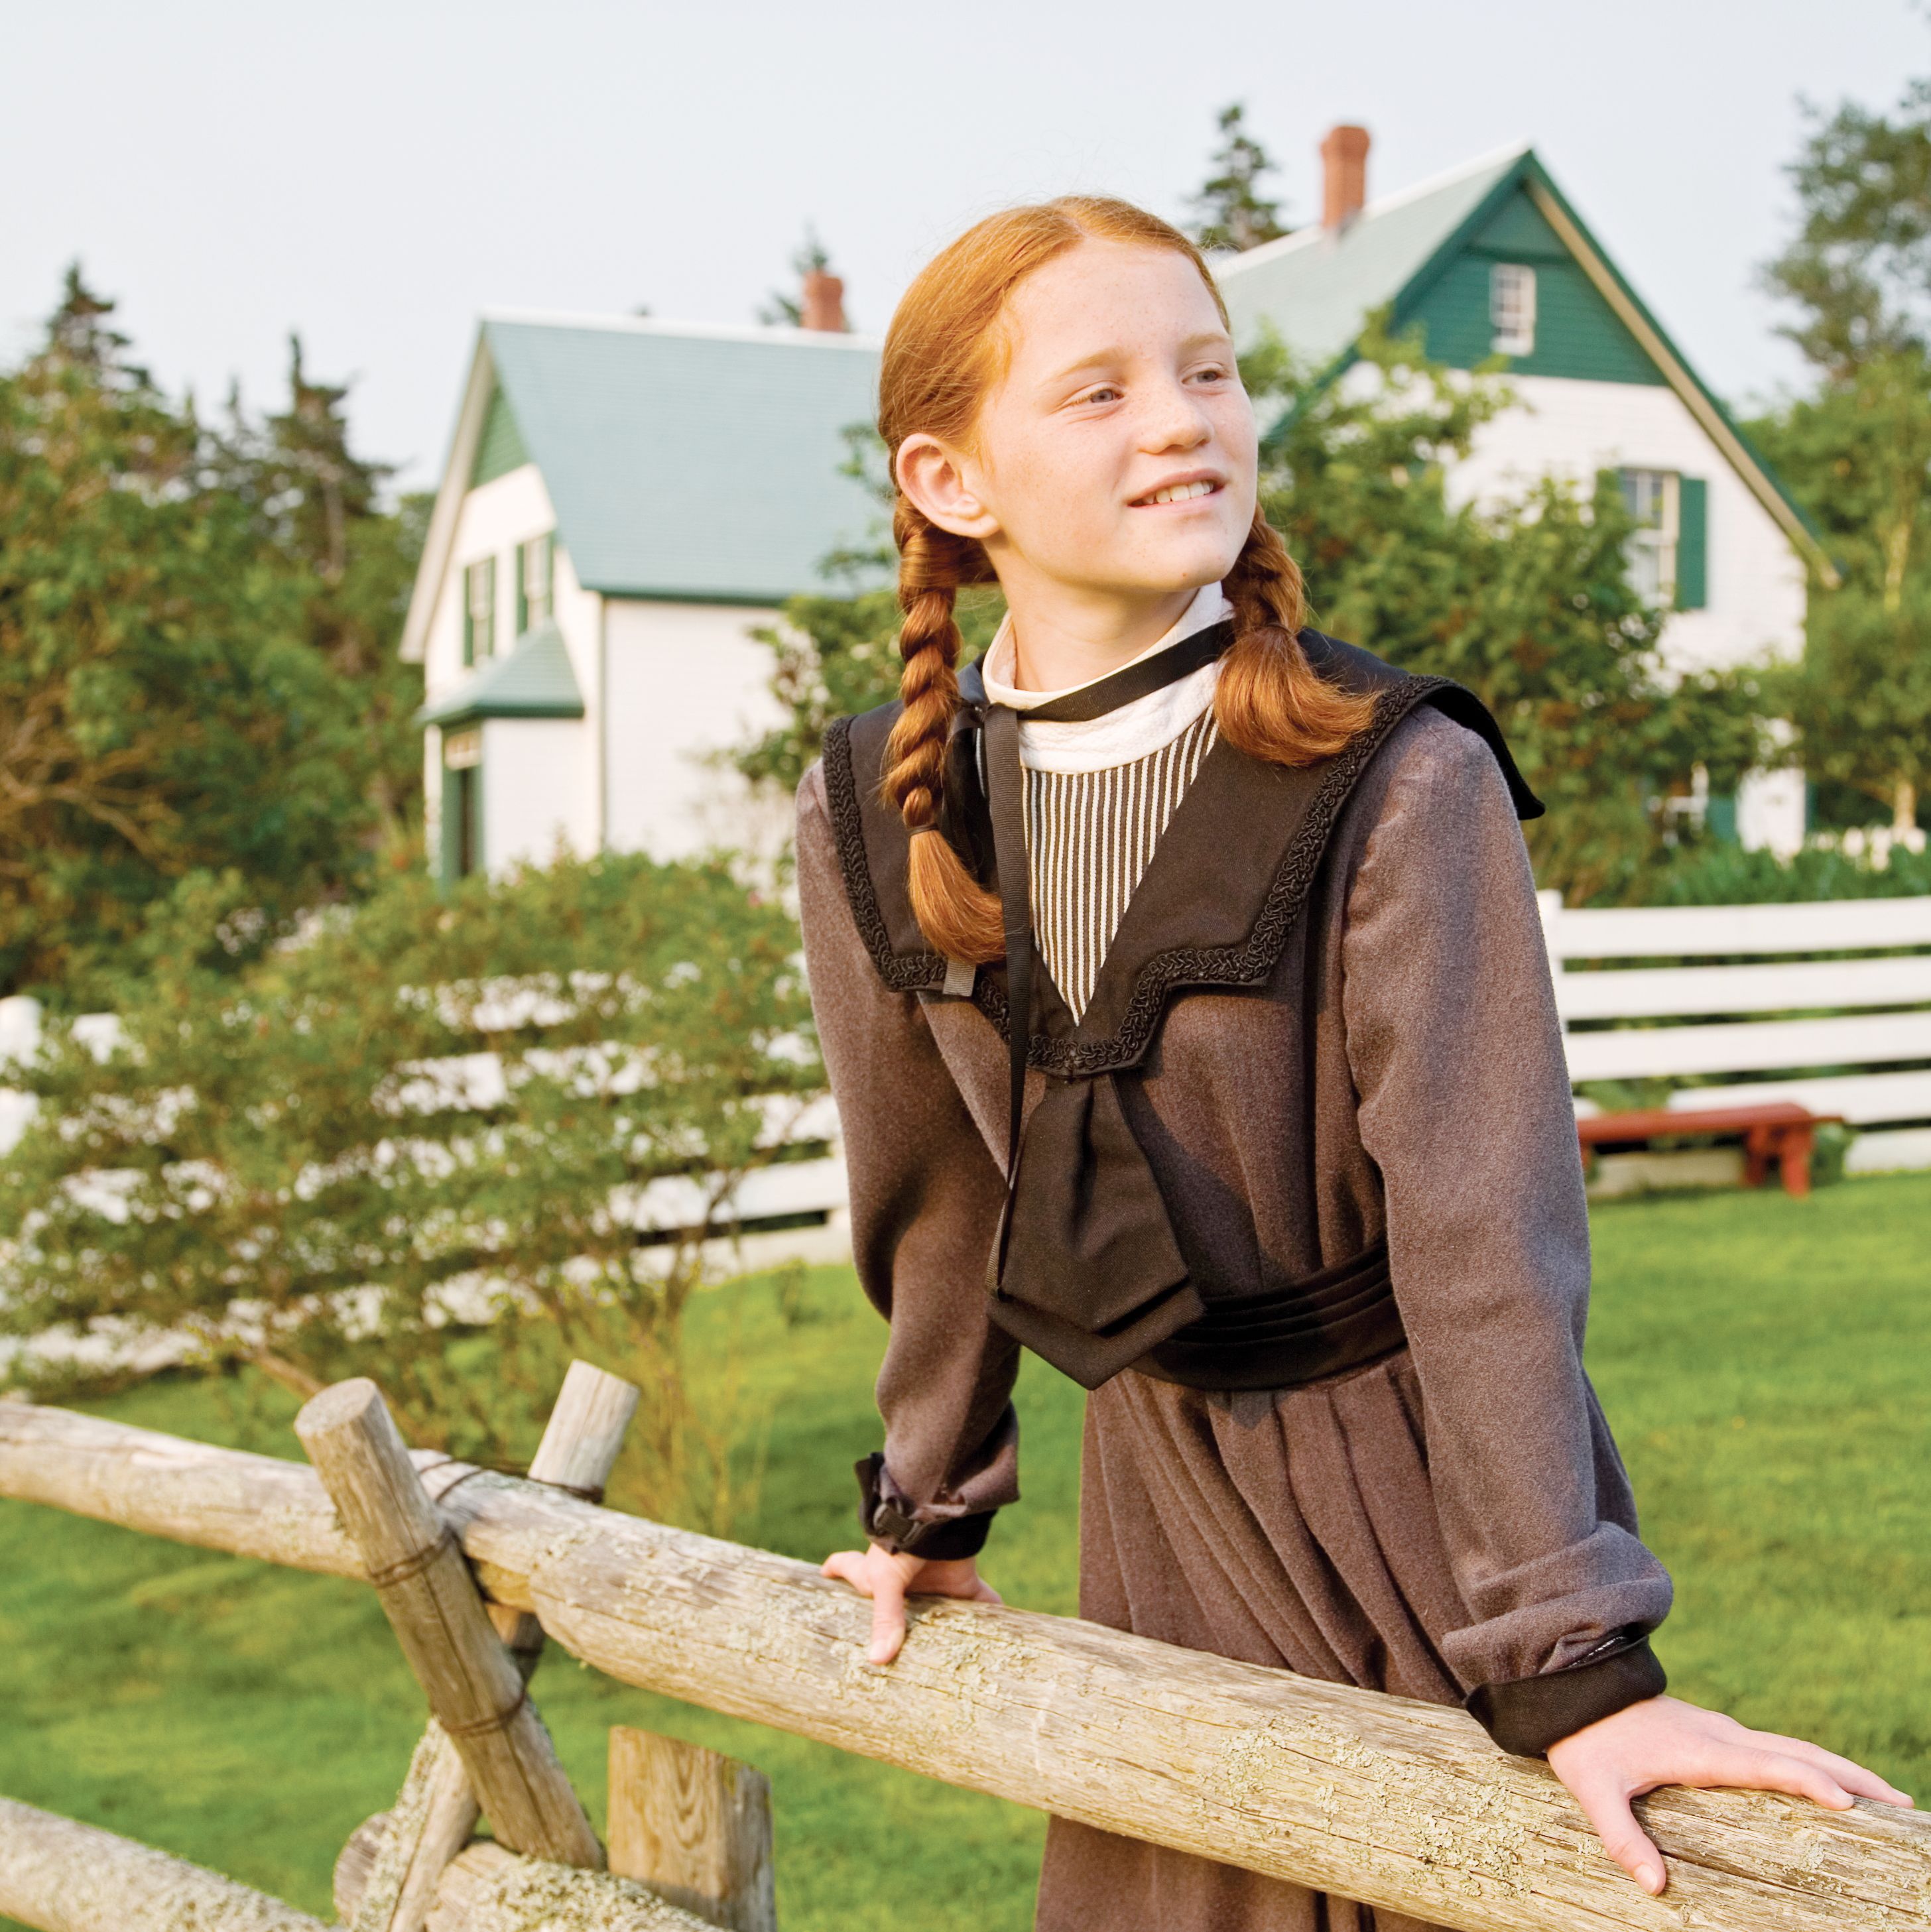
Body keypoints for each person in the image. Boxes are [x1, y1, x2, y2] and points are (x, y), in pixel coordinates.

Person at [795, 196, 1908, 1932]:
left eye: (1210, 371)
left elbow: (1486, 1238)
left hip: (1413, 1533)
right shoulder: (883, 802)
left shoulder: (1396, 775)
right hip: (1155, 1524)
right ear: (953, 481)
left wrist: (1569, 1659)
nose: (1183, 418)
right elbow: (940, 1205)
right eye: (1097, 392)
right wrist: (930, 1505)